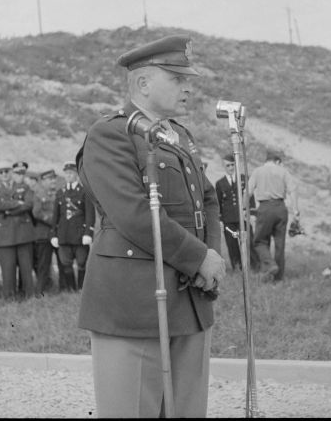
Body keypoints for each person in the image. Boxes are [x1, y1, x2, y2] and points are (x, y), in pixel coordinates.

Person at [76, 35, 226, 418]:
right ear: (143, 84)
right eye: (176, 78)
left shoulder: (178, 136)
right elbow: (134, 215)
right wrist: (199, 258)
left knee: (186, 410)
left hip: (189, 299)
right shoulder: (111, 134)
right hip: (135, 304)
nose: (188, 86)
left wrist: (211, 255)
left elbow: (206, 199)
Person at [247, 149, 299, 282]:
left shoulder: (258, 171)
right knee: (280, 244)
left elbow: (248, 191)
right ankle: (278, 278)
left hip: (265, 208)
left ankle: (270, 265)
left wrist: (243, 208)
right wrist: (296, 211)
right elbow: (293, 190)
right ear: (277, 161)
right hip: (281, 208)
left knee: (259, 241)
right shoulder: (283, 172)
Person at [0, 160, 36, 299]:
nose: (4, 174)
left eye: (7, 171)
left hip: (23, 233)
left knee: (26, 268)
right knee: (7, 269)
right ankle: (9, 297)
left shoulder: (24, 187)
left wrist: (7, 210)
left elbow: (28, 204)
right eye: (1, 172)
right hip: (5, 235)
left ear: (11, 172)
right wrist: (16, 204)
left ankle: (29, 295)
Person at [50, 162, 95, 291]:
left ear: (76, 174)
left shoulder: (84, 191)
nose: (68, 175)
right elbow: (55, 215)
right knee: (66, 263)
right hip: (64, 234)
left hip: (80, 234)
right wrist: (53, 233)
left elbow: (89, 215)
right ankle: (71, 289)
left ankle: (82, 289)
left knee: (81, 263)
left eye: (71, 173)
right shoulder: (60, 192)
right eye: (66, 173)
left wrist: (88, 233)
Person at [214, 153, 259, 272]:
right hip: (228, 219)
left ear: (236, 164)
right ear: (224, 167)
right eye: (227, 165)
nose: (230, 168)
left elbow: (250, 197)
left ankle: (256, 267)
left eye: (232, 165)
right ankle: (237, 268)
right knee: (232, 245)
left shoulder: (243, 179)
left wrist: (252, 213)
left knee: (249, 242)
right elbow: (218, 203)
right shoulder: (220, 183)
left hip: (243, 217)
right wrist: (219, 219)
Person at [32, 169, 58, 295]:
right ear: (43, 181)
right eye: (50, 179)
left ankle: (64, 289)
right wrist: (53, 220)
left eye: (54, 178)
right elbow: (37, 212)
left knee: (63, 263)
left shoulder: (58, 193)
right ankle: (40, 291)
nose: (53, 181)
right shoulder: (38, 194)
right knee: (43, 264)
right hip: (44, 234)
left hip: (58, 234)